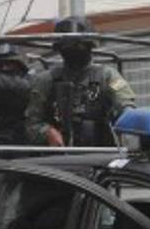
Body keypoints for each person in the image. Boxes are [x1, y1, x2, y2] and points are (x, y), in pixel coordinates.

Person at [26, 17, 137, 148]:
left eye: (79, 45)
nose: (73, 50)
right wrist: (48, 132)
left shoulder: (107, 76)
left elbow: (126, 107)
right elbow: (31, 123)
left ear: (90, 46)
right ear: (60, 48)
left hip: (101, 155)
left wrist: (128, 124)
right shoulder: (46, 80)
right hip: (57, 158)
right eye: (67, 46)